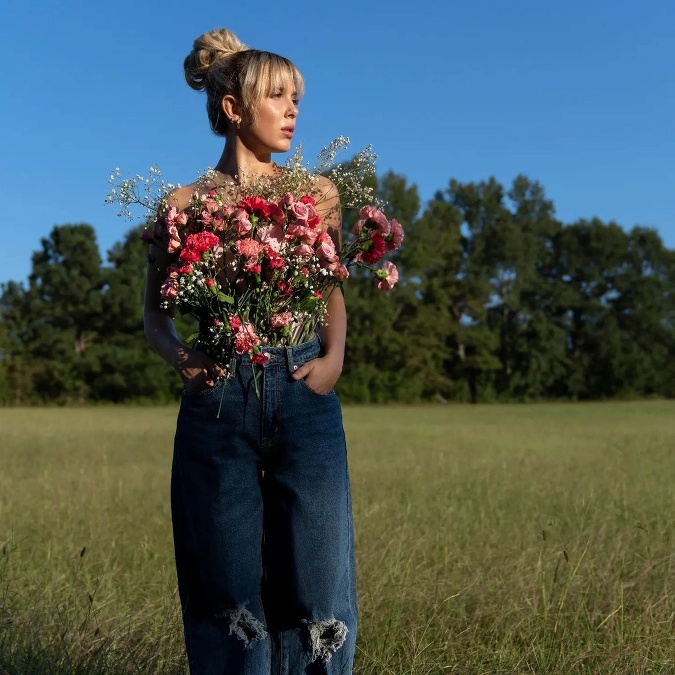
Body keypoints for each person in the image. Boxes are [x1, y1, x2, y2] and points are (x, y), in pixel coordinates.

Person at [143, 28, 358, 675]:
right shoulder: (181, 206)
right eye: (277, 96)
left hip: (302, 388)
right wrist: (185, 360)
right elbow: (154, 314)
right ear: (234, 108)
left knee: (321, 588)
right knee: (227, 594)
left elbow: (331, 289)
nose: (293, 109)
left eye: (296, 97)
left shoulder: (316, 193)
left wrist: (334, 356)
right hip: (219, 403)